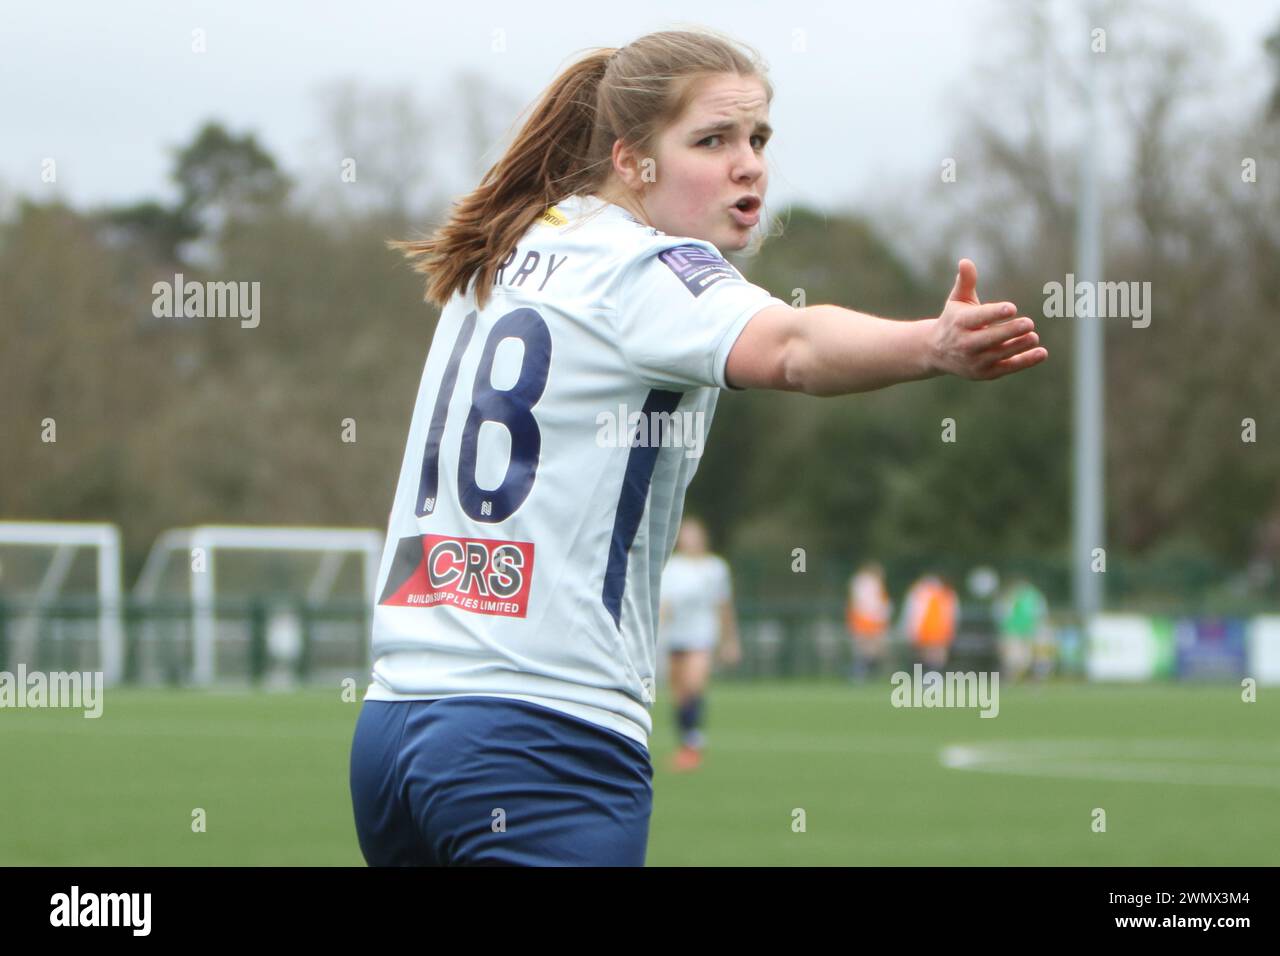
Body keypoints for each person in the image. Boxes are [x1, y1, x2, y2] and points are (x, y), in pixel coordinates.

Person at [349, 28, 1048, 867]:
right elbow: (793, 347)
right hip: (538, 739)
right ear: (632, 159)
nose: (749, 165)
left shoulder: (507, 252)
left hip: (393, 731)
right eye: (712, 140)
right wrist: (930, 344)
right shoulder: (646, 269)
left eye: (759, 138)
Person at [657, 516, 740, 772]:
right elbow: (664, 605)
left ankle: (694, 744)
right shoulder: (672, 567)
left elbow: (724, 606)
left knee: (694, 686)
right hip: (675, 636)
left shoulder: (715, 568)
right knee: (680, 695)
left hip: (702, 636)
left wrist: (730, 640)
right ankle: (686, 745)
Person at [902, 573, 960, 673]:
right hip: (929, 630)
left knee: (934, 653)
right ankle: (930, 672)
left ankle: (932, 672)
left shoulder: (943, 594)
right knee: (930, 653)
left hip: (936, 630)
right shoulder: (926, 594)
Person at [845, 561, 891, 682]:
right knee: (866, 649)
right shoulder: (867, 583)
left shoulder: (865, 583)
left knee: (869, 650)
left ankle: (862, 673)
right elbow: (869, 605)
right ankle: (859, 673)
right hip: (866, 621)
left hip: (867, 621)